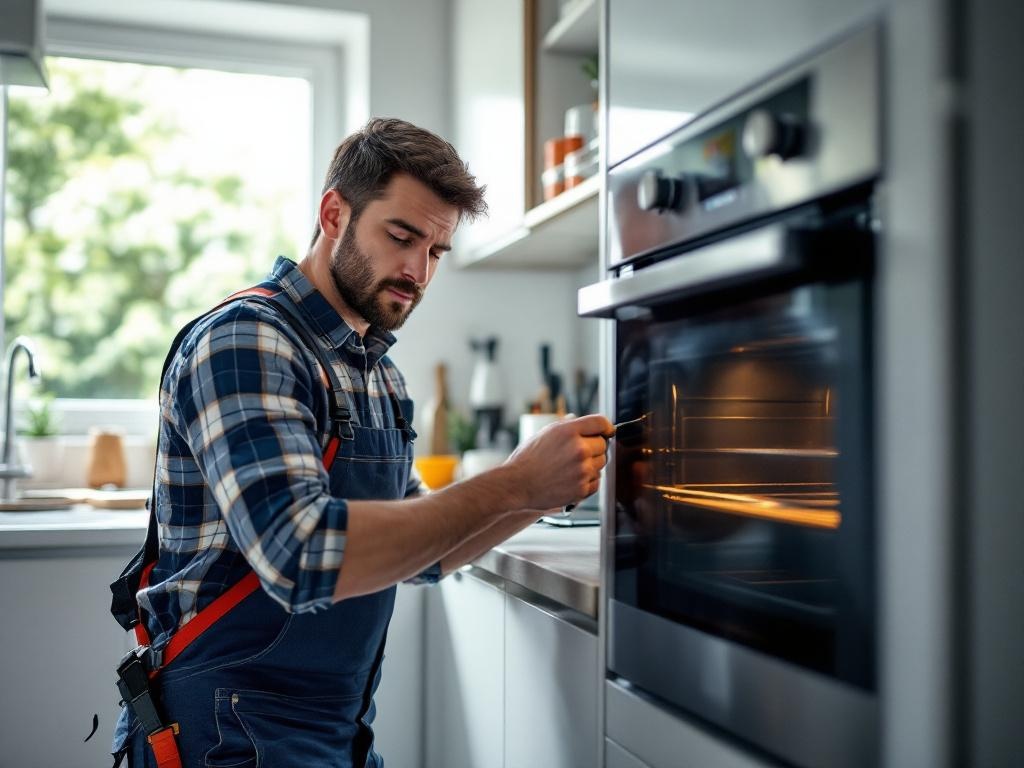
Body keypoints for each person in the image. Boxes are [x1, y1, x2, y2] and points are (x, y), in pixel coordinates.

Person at [110, 117, 612, 768]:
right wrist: (515, 482)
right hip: (225, 729)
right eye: (401, 237)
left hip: (339, 729)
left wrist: (539, 492)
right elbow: (299, 555)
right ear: (333, 214)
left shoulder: (377, 372)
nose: (418, 271)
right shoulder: (247, 339)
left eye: (437, 252)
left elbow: (426, 552)